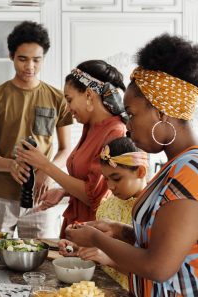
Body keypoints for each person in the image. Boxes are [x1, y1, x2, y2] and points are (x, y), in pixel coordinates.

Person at [65, 34, 198, 296]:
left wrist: (96, 239)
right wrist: (121, 232)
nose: (128, 125)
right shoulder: (176, 167)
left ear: (160, 113)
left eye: (133, 114)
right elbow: (167, 242)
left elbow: (159, 266)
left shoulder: (189, 173)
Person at [0, 21, 73, 238]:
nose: (29, 67)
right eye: (22, 59)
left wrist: (46, 171)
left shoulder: (57, 98)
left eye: (36, 60)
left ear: (43, 58)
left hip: (40, 197)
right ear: (11, 56)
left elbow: (66, 149)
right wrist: (11, 165)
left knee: (40, 262)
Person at [18, 59, 128, 238]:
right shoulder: (91, 126)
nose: (68, 109)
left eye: (69, 100)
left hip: (95, 233)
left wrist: (46, 166)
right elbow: (89, 181)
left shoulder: (115, 132)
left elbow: (95, 197)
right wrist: (63, 191)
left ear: (89, 94)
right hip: (76, 226)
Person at [58, 137, 147, 290]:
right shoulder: (107, 206)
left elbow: (152, 270)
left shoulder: (152, 211)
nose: (111, 186)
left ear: (140, 171)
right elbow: (101, 250)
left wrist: (110, 260)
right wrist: (79, 249)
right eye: (106, 179)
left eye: (117, 178)